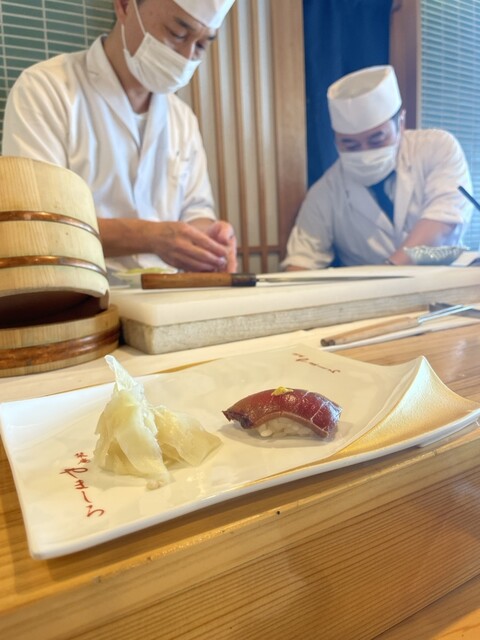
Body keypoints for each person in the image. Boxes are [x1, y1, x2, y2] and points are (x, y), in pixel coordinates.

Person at [2, 0, 237, 276]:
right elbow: (39, 224)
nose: (186, 57)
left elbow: (195, 211)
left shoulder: (182, 118)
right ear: (125, 6)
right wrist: (152, 237)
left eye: (201, 46)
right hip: (80, 292)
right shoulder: (46, 90)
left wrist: (210, 239)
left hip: (168, 292)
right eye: (178, 33)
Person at [281, 65, 473, 270]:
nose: (364, 154)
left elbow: (444, 221)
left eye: (376, 140)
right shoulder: (325, 191)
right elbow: (301, 260)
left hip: (445, 282)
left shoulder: (437, 148)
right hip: (369, 290)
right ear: (336, 141)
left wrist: (389, 271)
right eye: (350, 145)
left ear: (401, 123)